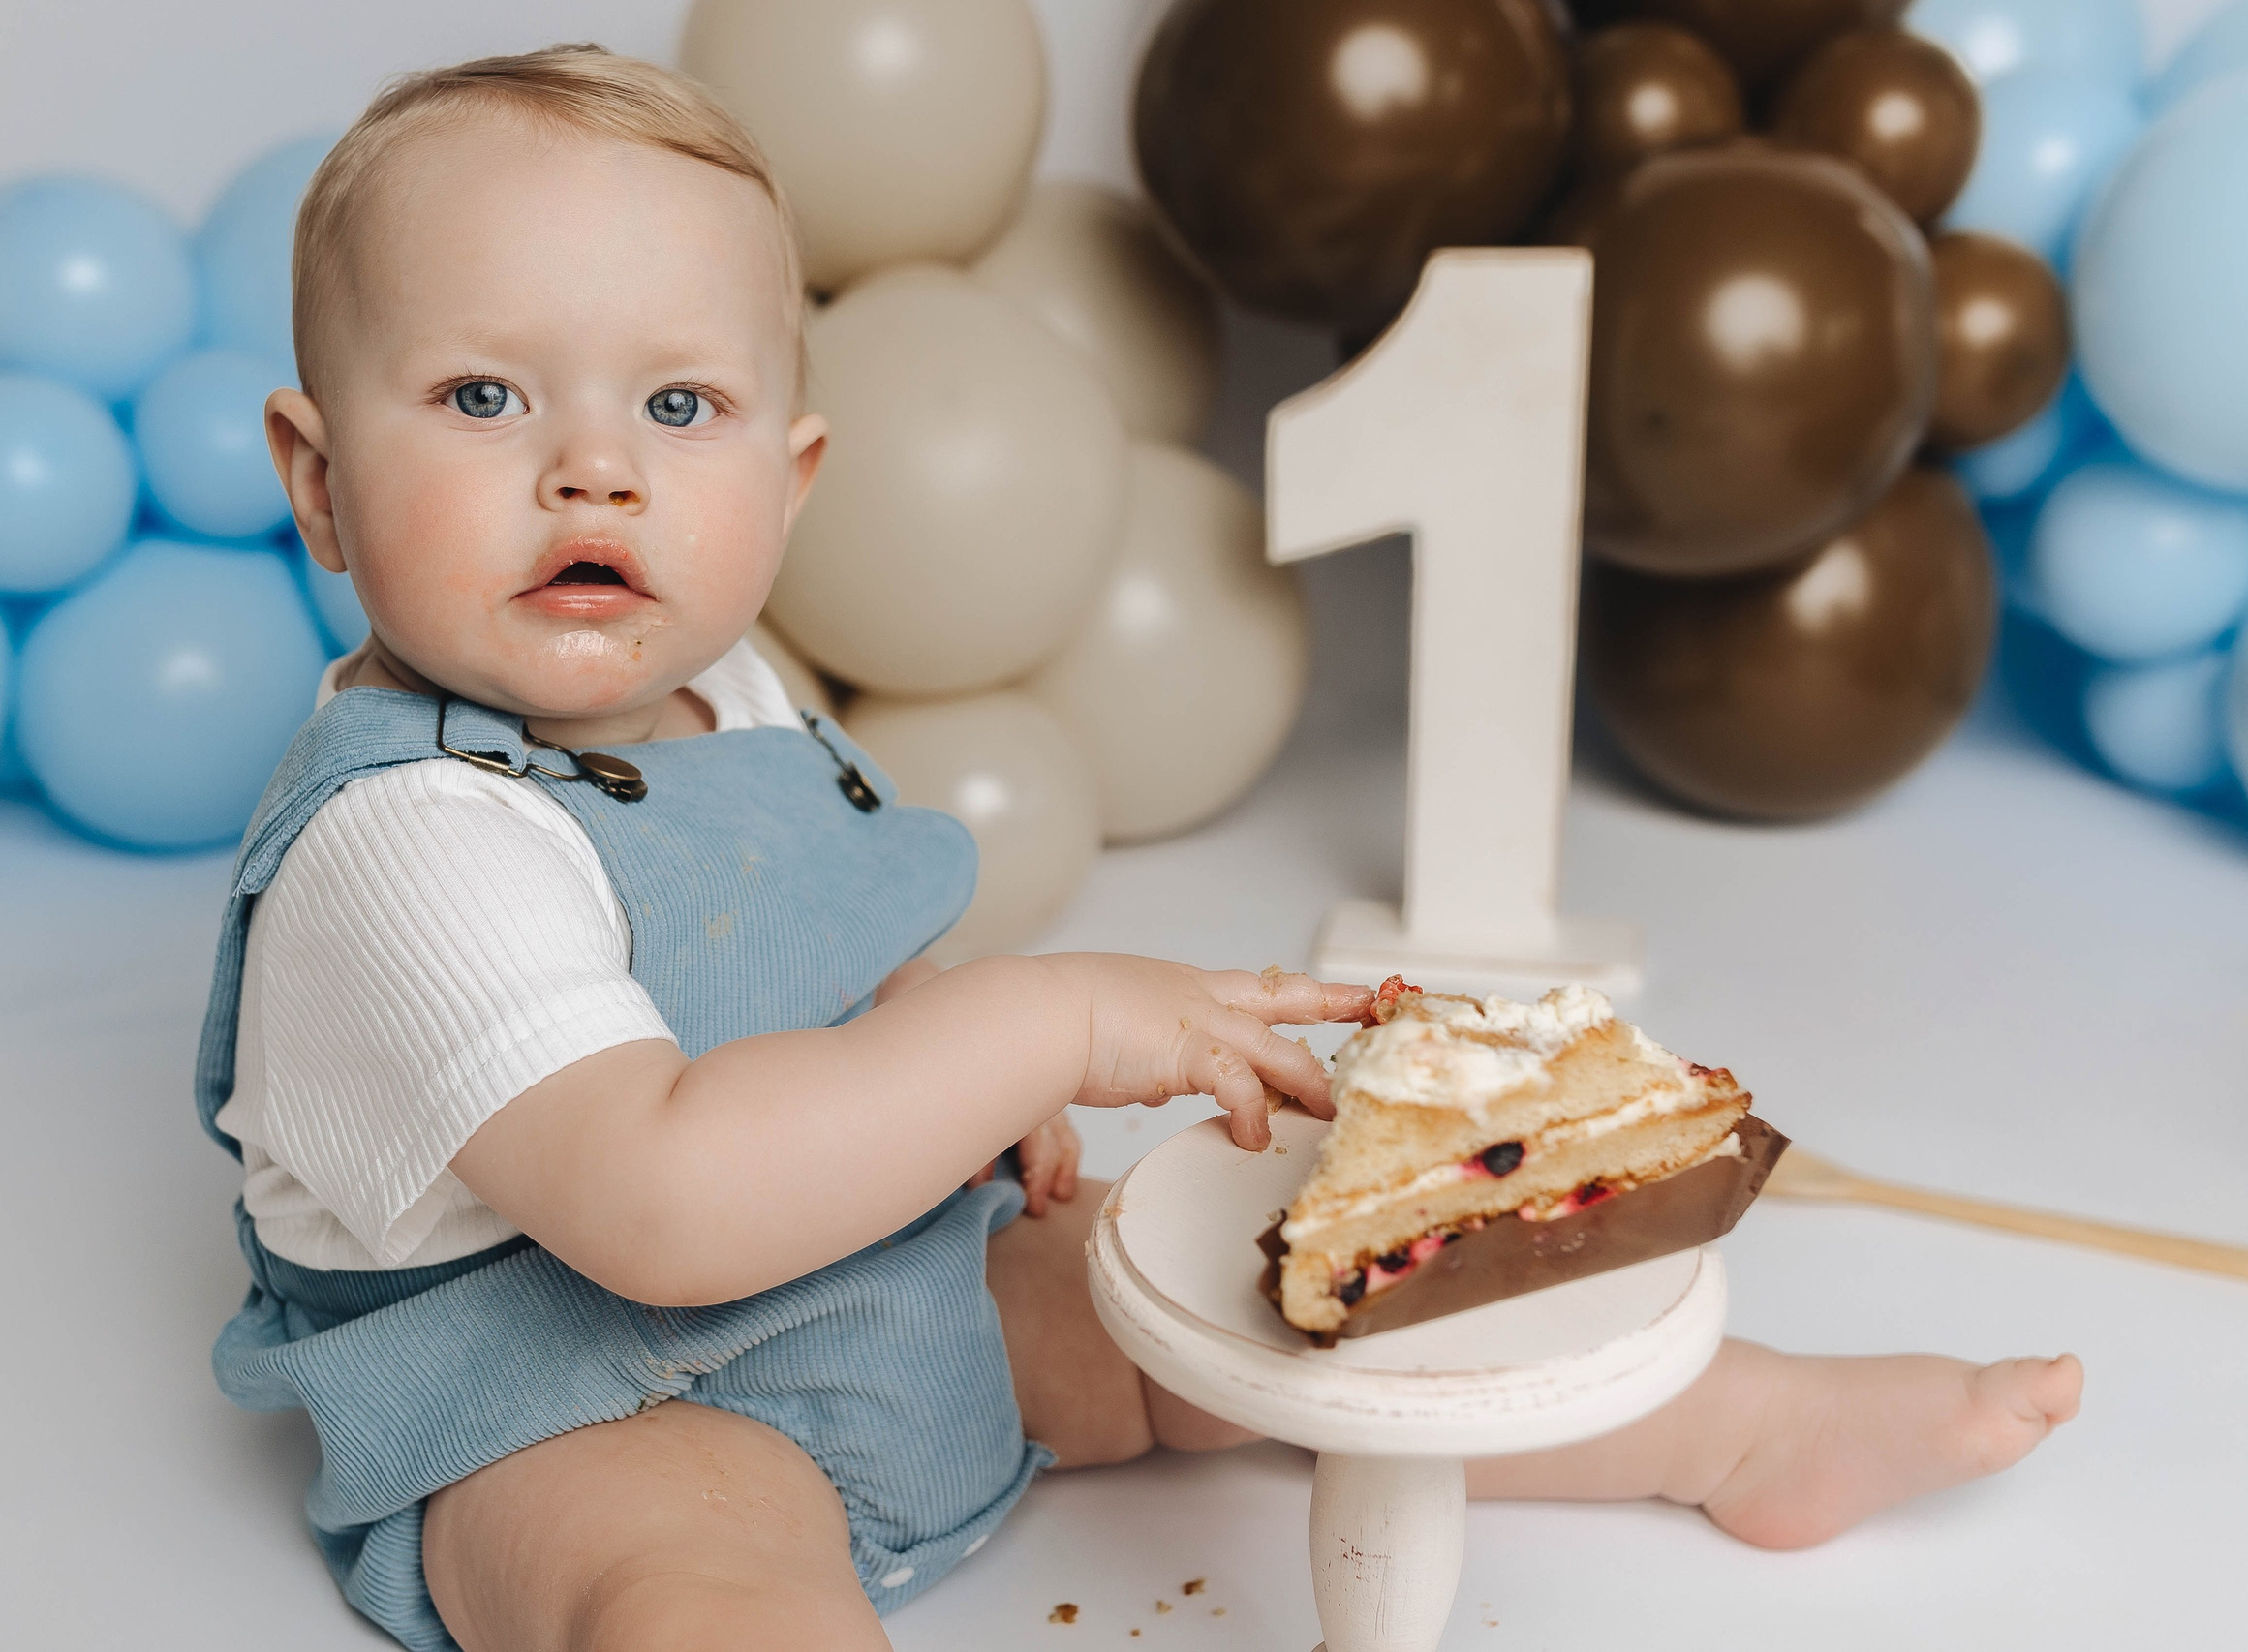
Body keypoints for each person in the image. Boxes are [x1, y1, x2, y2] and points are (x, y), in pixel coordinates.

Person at [201, 43, 2083, 1652]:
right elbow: (664, 1209)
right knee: (700, 1579)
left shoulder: (732, 693)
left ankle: (1735, 1429)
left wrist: (929, 1054)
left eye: (675, 406)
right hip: (574, 1395)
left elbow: (792, 944)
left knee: (1234, 1287)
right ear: (319, 483)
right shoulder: (411, 843)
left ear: (787, 486)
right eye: (481, 397)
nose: (591, 468)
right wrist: (1025, 1032)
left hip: (880, 1285)